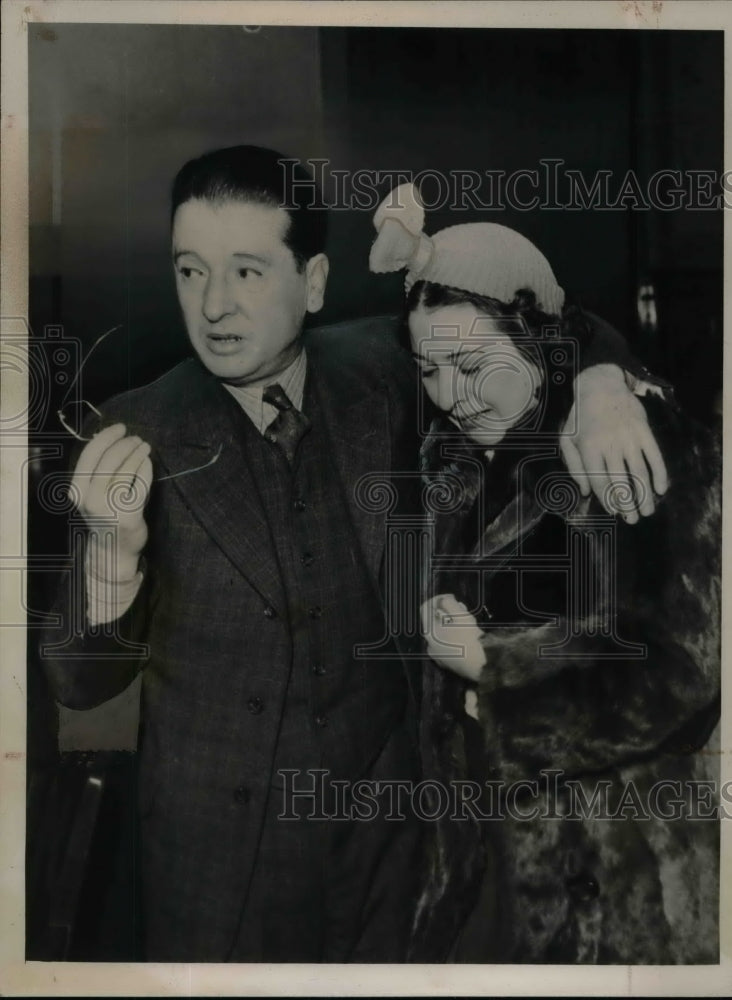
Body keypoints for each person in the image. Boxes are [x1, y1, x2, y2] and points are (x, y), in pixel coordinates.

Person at [41, 149, 666, 963]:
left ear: (316, 282)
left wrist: (603, 383)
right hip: (219, 870)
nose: (215, 305)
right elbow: (77, 678)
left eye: (248, 271)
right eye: (190, 270)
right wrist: (112, 560)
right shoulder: (133, 429)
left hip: (398, 853)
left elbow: (549, 322)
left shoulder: (386, 364)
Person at [369, 186, 721, 963]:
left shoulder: (634, 442)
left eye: (472, 365)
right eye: (429, 369)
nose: (452, 396)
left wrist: (495, 668)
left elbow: (681, 684)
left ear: (534, 340)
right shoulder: (449, 465)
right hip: (480, 870)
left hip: (615, 884)